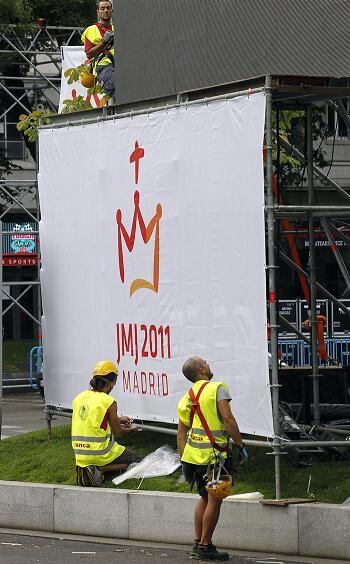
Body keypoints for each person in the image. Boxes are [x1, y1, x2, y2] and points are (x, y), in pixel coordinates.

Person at [177, 357, 248, 561]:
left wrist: (183, 459)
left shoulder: (185, 398)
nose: (208, 365)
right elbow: (228, 419)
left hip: (192, 457)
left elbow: (181, 435)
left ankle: (197, 542)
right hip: (213, 457)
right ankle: (205, 547)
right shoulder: (218, 388)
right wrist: (240, 445)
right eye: (206, 363)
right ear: (202, 369)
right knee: (214, 499)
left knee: (204, 497)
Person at [72, 360, 141, 487]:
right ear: (111, 383)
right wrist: (132, 429)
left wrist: (118, 419)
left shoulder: (79, 397)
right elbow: (118, 433)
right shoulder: (108, 401)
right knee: (137, 462)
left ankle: (88, 468)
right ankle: (99, 469)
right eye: (114, 383)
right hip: (99, 452)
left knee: (131, 461)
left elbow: (91, 419)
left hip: (80, 454)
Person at [81, 0, 115, 97]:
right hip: (104, 66)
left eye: (108, 8)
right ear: (98, 12)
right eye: (102, 8)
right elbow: (89, 54)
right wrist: (104, 42)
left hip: (119, 65)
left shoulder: (116, 29)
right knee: (116, 83)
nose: (106, 11)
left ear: (112, 10)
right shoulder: (92, 29)